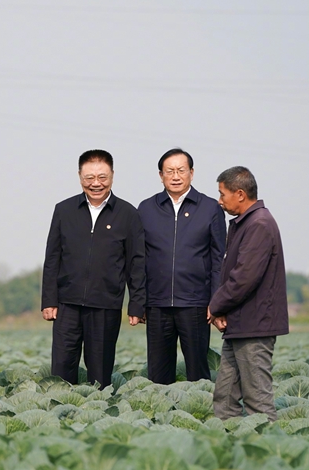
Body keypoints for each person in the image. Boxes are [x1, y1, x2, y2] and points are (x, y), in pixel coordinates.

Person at [42, 150, 145, 389]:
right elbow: (52, 258)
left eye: (102, 177)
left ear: (112, 176)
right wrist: (49, 300)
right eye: (89, 177)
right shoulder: (64, 210)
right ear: (80, 176)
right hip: (67, 304)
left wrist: (137, 304)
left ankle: (99, 409)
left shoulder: (128, 214)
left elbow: (136, 263)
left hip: (106, 305)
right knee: (61, 368)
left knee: (100, 373)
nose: (96, 183)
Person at [137, 148, 226, 384]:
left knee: (198, 373)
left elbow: (219, 259)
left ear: (191, 173)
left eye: (181, 170)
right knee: (158, 375)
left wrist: (216, 300)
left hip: (196, 304)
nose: (175, 176)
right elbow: (138, 259)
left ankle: (201, 407)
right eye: (169, 171)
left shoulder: (210, 208)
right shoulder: (146, 209)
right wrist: (140, 300)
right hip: (157, 304)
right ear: (161, 175)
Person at [208, 166, 288, 422]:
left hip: (255, 326)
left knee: (257, 400)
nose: (220, 201)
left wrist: (215, 305)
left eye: (223, 194)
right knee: (225, 396)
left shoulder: (259, 224)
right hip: (241, 324)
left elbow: (244, 278)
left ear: (240, 194)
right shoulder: (247, 223)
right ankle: (230, 441)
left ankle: (268, 444)